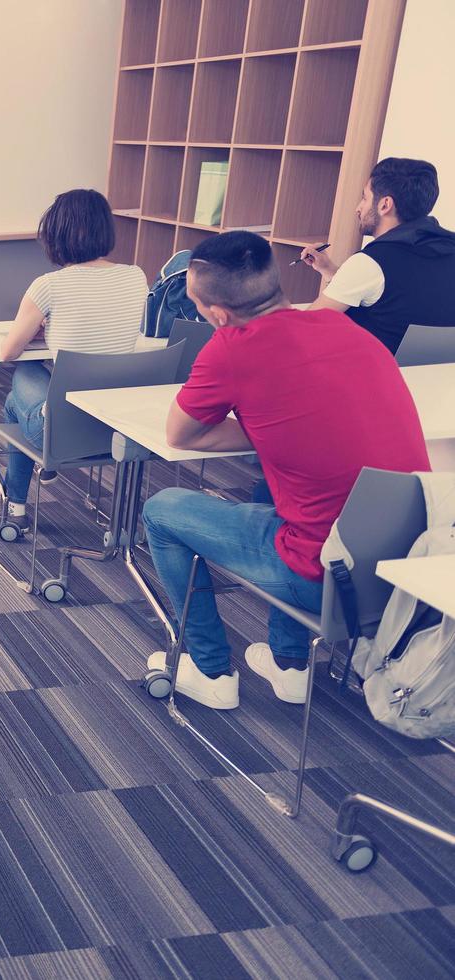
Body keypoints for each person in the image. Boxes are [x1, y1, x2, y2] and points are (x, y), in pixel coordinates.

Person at [142, 232, 429, 710]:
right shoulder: (347, 328)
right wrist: (276, 428)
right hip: (404, 570)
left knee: (162, 510)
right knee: (269, 488)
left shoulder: (231, 347)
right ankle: (290, 664)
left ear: (217, 315)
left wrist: (262, 426)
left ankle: (209, 670)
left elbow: (181, 436)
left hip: (329, 578)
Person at [0, 188, 148, 531]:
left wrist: (42, 326)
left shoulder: (48, 286)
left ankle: (15, 504)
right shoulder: (137, 277)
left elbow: (8, 352)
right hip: (119, 427)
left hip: (61, 432)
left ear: (57, 233)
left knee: (22, 380)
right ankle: (25, 488)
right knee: (26, 395)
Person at [303, 157, 455, 354]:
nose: (358, 207)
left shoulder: (371, 263)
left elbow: (307, 327)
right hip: (433, 379)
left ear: (385, 205)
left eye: (365, 198)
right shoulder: (447, 248)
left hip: (372, 378)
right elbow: (397, 296)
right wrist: (330, 270)